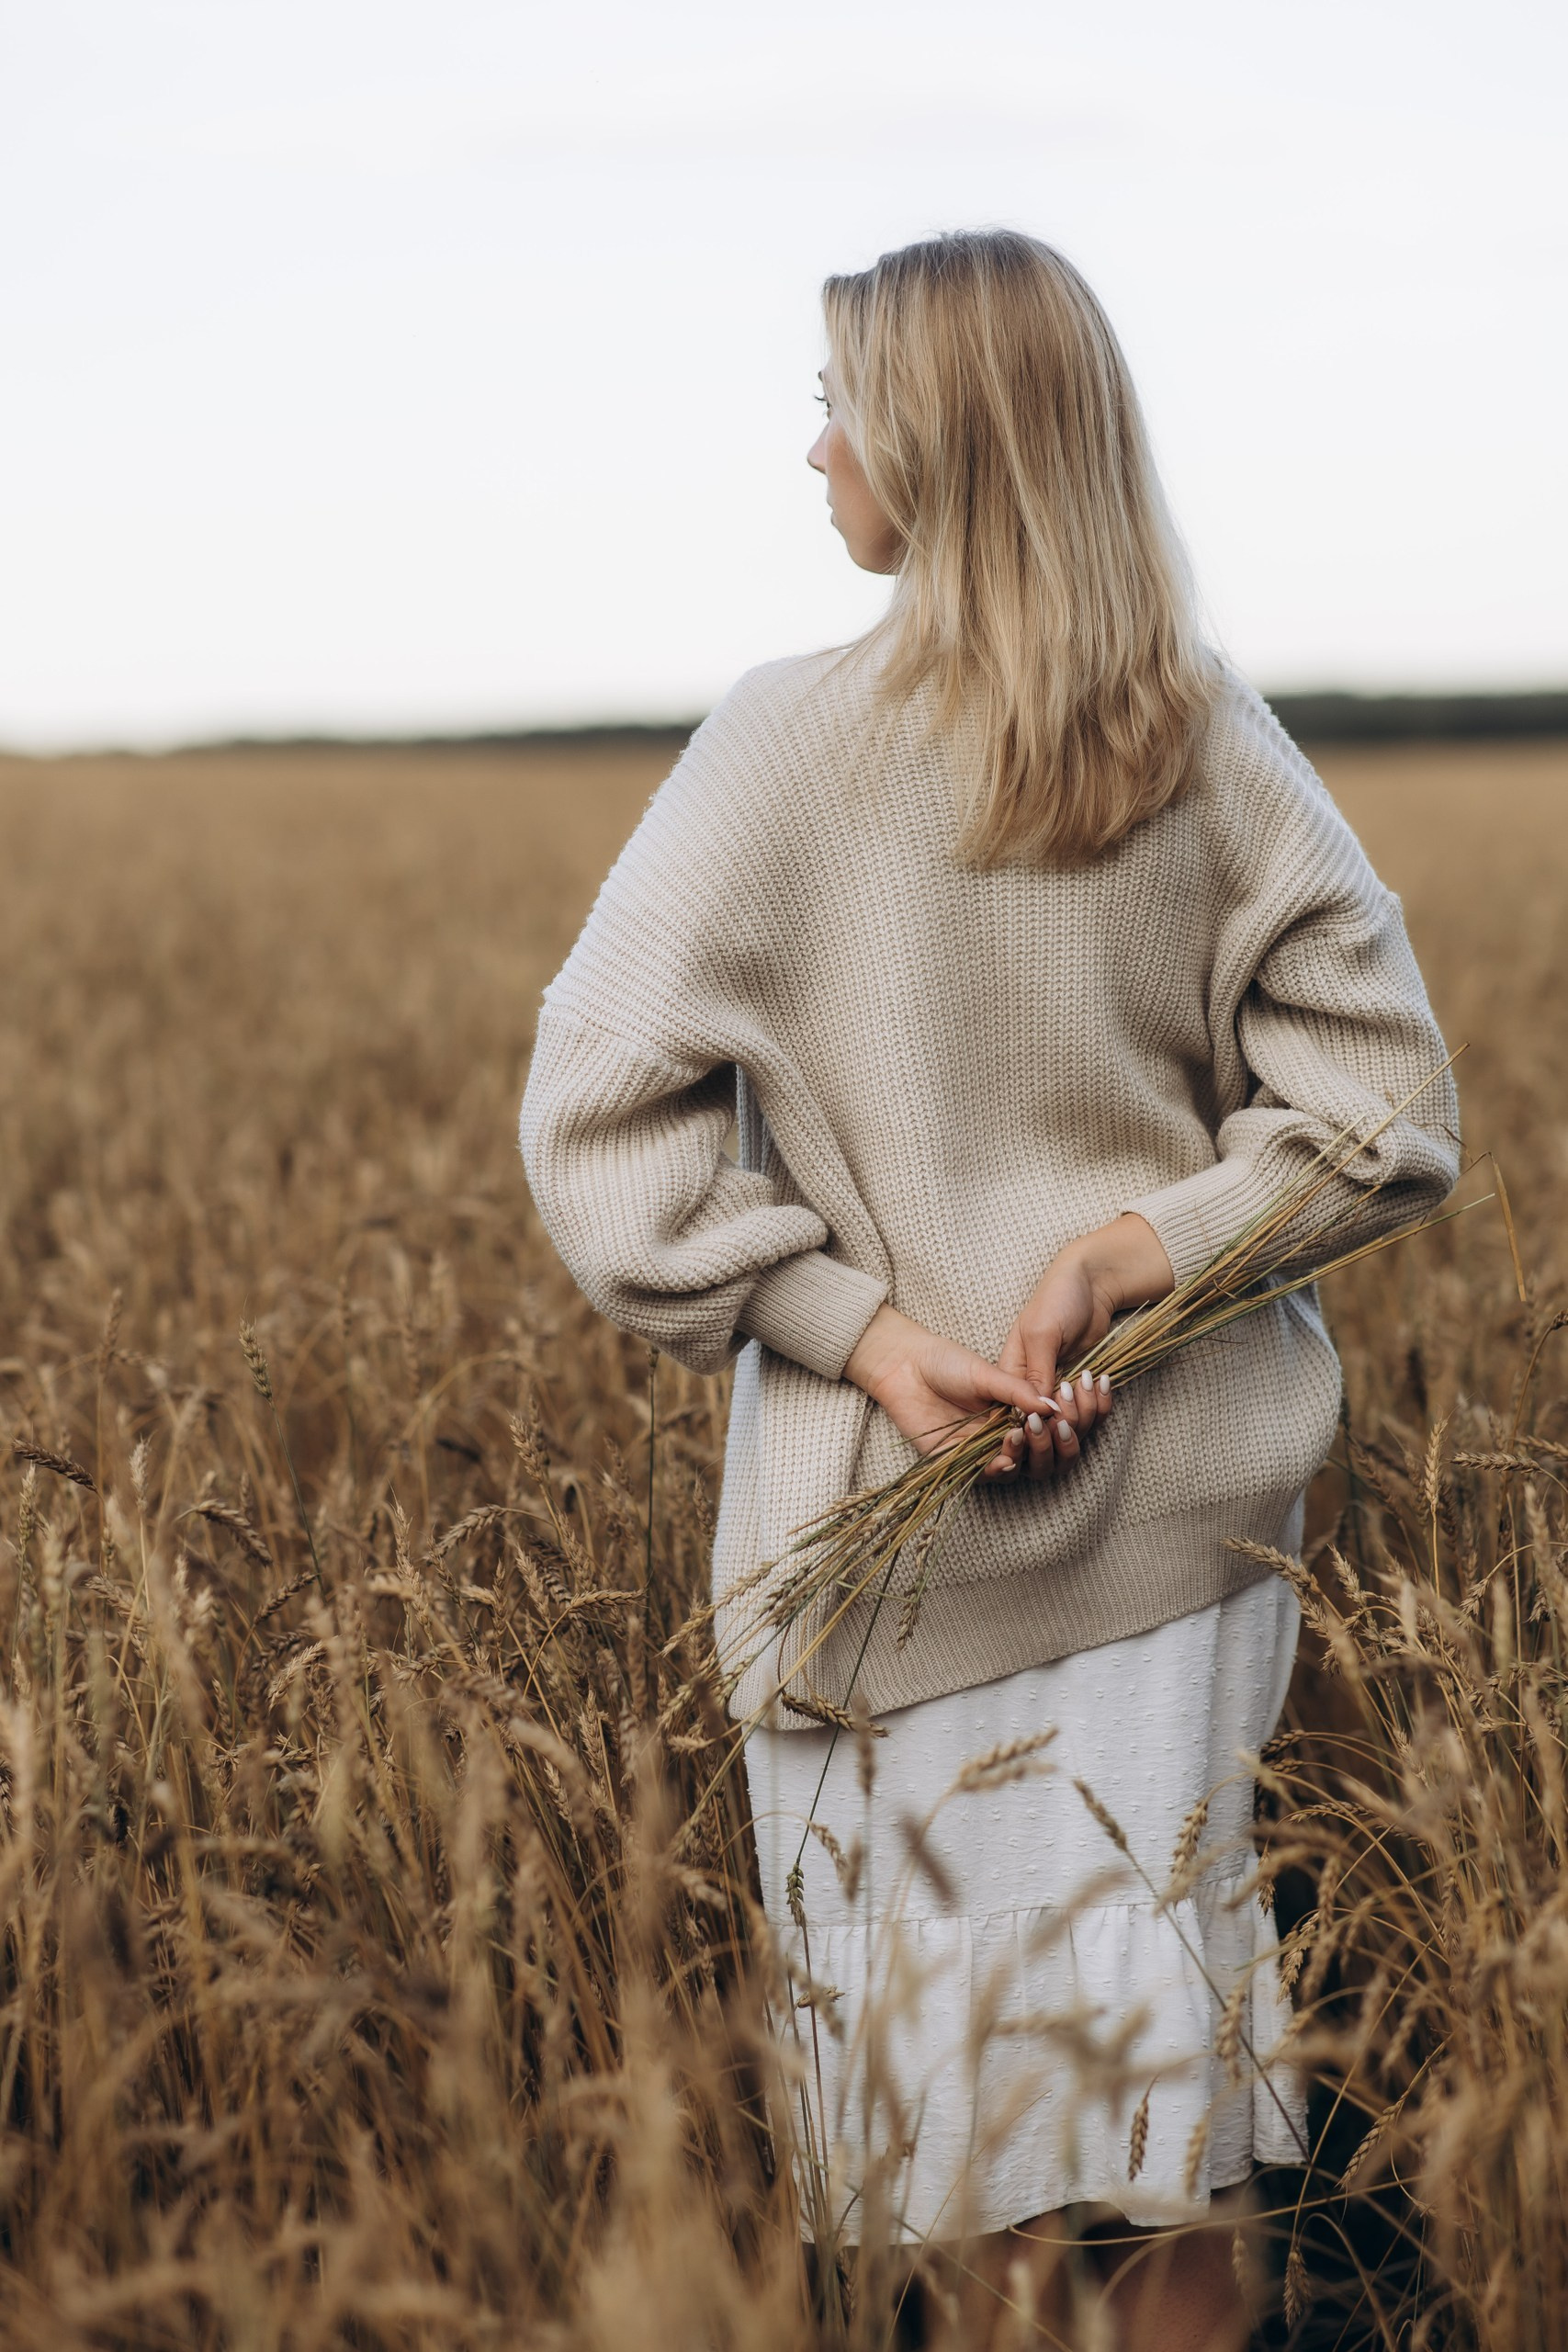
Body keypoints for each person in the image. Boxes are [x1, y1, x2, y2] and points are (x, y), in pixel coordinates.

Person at [519, 229, 1458, 2347]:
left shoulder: (777, 746)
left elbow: (594, 1127)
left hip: (889, 1564)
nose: (812, 454)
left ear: (931, 445)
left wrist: (856, 1333)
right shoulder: (1195, 733)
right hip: (1179, 1549)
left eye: (835, 407)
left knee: (969, 2196)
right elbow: (1384, 1100)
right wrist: (1135, 1254)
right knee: (1167, 2142)